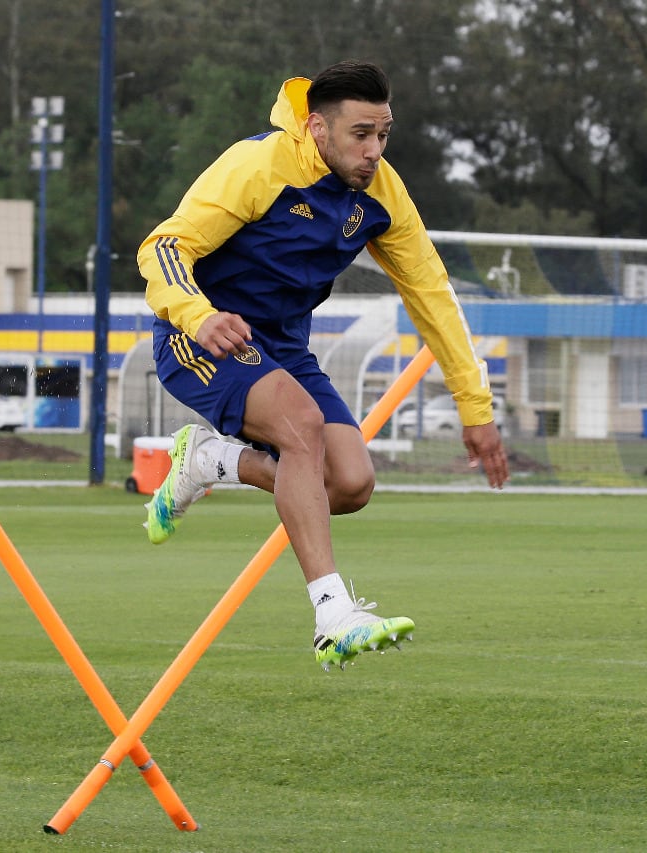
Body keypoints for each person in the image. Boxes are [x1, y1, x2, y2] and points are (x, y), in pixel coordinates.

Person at [136, 60, 509, 672]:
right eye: (360, 135)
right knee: (302, 425)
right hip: (201, 336)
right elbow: (164, 246)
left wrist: (476, 408)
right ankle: (333, 616)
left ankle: (211, 459)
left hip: (284, 350)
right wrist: (197, 315)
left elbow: (433, 296)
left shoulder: (381, 194)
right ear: (316, 129)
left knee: (352, 484)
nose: (374, 152)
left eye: (384, 134)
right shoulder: (258, 166)